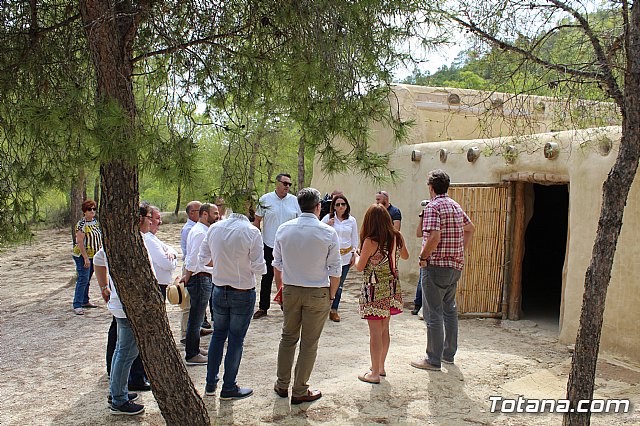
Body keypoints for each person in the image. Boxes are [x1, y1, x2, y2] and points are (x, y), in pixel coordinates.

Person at [273, 188, 341, 405]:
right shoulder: (328, 232)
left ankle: (282, 384)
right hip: (317, 291)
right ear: (318, 206)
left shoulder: (284, 229)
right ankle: (300, 389)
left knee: (288, 338)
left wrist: (281, 288)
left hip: (291, 289)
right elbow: (335, 270)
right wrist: (331, 296)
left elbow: (277, 264)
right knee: (309, 343)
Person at [95, 203, 157, 416]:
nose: (151, 221)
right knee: (126, 352)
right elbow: (98, 259)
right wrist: (104, 286)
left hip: (126, 305)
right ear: (139, 219)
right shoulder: (126, 242)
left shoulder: (131, 240)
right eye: (149, 217)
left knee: (123, 351)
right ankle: (119, 400)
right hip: (127, 306)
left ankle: (117, 391)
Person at [199, 203, 266, 400]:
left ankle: (210, 384)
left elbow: (203, 258)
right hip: (241, 291)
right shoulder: (252, 232)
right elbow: (260, 268)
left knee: (218, 335)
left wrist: (222, 264)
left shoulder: (215, 228)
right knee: (235, 340)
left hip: (220, 289)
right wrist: (240, 265)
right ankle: (228, 386)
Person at [411, 169, 475, 371]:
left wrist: (423, 257)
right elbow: (470, 228)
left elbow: (434, 236)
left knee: (433, 313)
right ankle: (448, 354)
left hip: (436, 266)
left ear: (430, 187)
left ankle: (433, 359)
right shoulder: (455, 206)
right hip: (454, 266)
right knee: (449, 310)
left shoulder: (433, 206)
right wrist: (459, 250)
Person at [354, 204, 409, 384]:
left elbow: (360, 266)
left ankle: (374, 373)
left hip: (374, 289)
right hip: (392, 288)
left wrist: (356, 255)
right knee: (385, 329)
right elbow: (406, 256)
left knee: (375, 333)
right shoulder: (396, 237)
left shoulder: (370, 241)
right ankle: (381, 366)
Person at [253, 173, 301, 319]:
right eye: (285, 183)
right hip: (269, 244)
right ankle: (263, 307)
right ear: (277, 183)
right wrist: (257, 241)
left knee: (289, 277)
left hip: (289, 246)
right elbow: (257, 220)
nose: (287, 186)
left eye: (289, 184)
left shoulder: (295, 201)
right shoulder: (265, 199)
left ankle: (286, 305)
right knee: (267, 276)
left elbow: (300, 222)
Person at [183, 203, 219, 365]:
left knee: (197, 318)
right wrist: (188, 276)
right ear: (205, 214)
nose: (217, 216)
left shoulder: (202, 230)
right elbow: (193, 259)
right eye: (215, 213)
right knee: (196, 318)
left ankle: (195, 348)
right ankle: (192, 354)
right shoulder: (199, 233)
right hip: (200, 278)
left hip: (201, 277)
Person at [321, 194, 358, 322]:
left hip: (346, 257)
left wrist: (354, 254)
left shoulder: (351, 221)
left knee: (339, 284)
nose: (341, 206)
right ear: (334, 206)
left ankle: (334, 309)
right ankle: (323, 308)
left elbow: (354, 238)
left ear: (347, 206)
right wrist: (327, 225)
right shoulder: (328, 218)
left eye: (343, 204)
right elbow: (318, 232)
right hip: (330, 256)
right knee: (327, 282)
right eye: (338, 204)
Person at [71, 199, 102, 315]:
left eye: (94, 209)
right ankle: (77, 304)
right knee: (83, 278)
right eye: (89, 209)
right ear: (85, 211)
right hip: (82, 255)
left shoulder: (95, 222)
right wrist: (85, 258)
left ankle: (85, 300)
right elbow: (80, 242)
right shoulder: (81, 225)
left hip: (94, 255)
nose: (92, 211)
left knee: (87, 278)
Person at [179, 201, 203, 340]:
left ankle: (195, 329)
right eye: (200, 210)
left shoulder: (196, 227)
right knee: (187, 303)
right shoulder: (190, 229)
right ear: (192, 213)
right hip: (190, 267)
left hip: (193, 267)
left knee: (196, 303)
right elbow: (192, 254)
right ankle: (185, 334)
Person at [144, 206, 178, 300]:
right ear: (149, 219)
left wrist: (173, 254)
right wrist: (174, 261)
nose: (160, 222)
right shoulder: (148, 239)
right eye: (157, 218)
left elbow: (172, 249)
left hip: (160, 286)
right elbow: (168, 264)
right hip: (156, 287)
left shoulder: (153, 238)